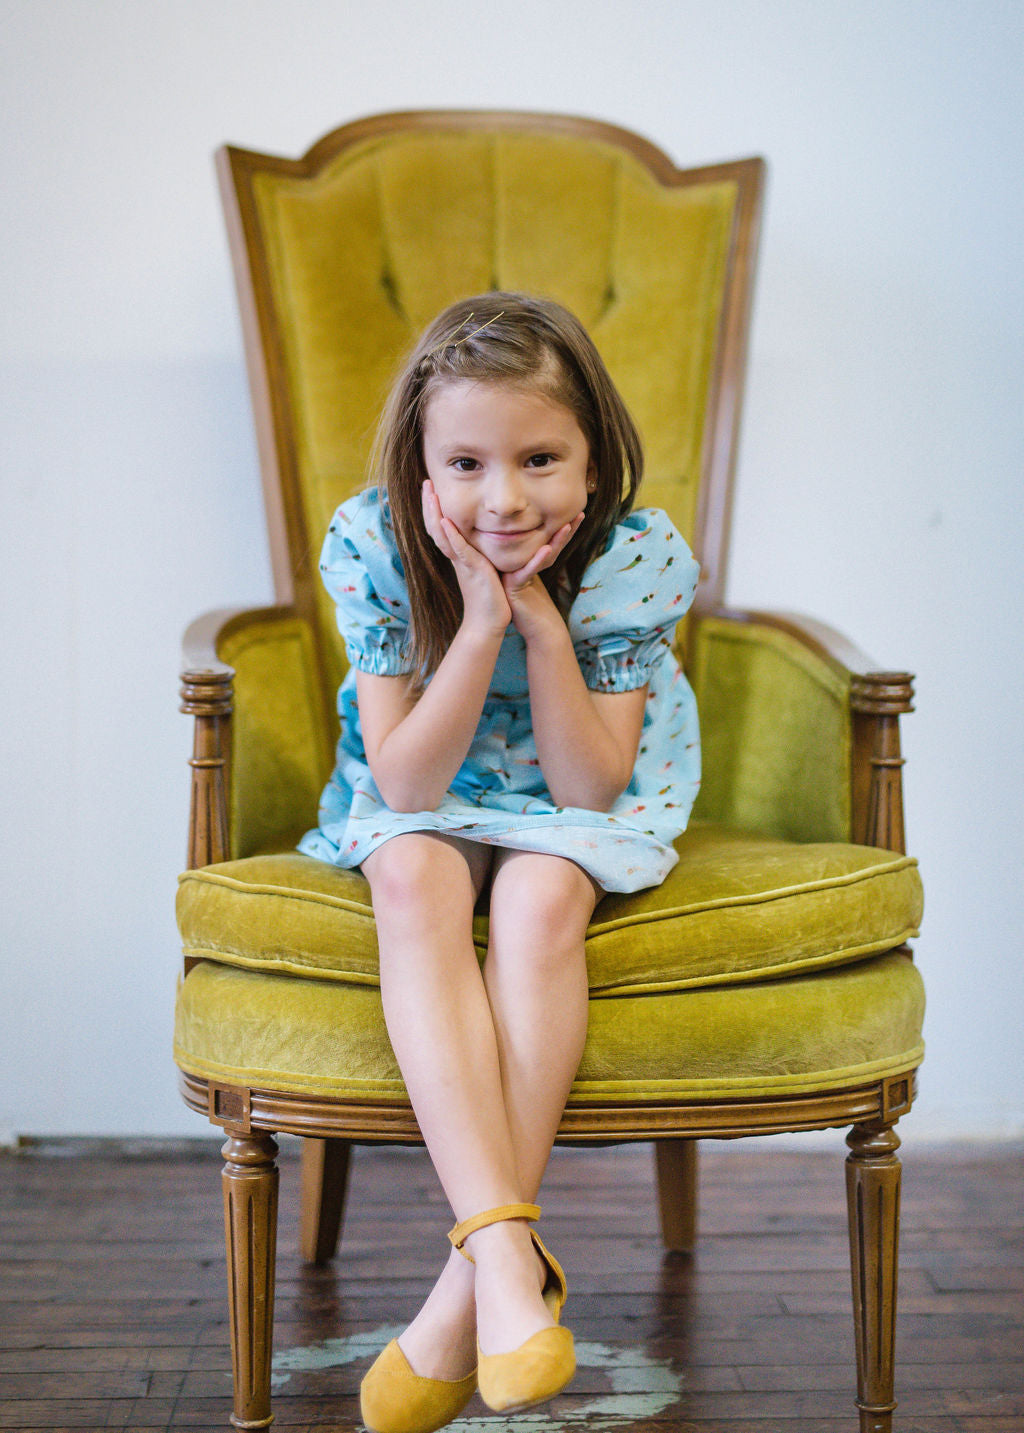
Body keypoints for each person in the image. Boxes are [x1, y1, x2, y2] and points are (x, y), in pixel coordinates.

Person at [299, 292, 701, 1433]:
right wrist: (475, 626)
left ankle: (463, 1290)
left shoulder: (627, 556)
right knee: (415, 871)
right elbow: (408, 787)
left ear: (593, 457)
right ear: (419, 467)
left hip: (572, 790)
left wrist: (538, 625)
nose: (505, 498)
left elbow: (587, 787)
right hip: (426, 779)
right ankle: (513, 1264)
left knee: (536, 896)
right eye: (466, 463)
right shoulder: (376, 543)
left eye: (540, 458)